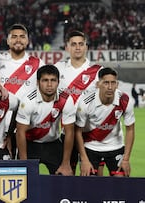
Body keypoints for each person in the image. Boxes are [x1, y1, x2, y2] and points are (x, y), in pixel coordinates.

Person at [54, 30, 103, 173]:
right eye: (73, 44)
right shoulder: (58, 68)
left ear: (86, 47)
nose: (77, 47)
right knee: (67, 174)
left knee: (93, 178)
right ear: (67, 47)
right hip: (66, 131)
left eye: (81, 44)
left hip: (90, 133)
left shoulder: (98, 71)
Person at [15, 65, 76, 176]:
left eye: (53, 80)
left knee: (65, 177)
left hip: (53, 144)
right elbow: (20, 132)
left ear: (58, 82)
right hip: (30, 144)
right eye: (45, 80)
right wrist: (24, 163)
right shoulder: (28, 100)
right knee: (25, 181)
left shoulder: (66, 99)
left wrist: (66, 163)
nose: (49, 85)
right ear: (38, 82)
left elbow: (70, 131)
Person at [75, 67, 135, 177]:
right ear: (98, 84)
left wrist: (126, 159)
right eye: (106, 83)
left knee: (122, 183)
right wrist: (84, 159)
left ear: (117, 84)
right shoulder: (85, 102)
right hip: (91, 146)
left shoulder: (124, 100)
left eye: (113, 83)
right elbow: (77, 131)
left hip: (115, 146)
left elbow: (130, 129)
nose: (110, 87)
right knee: (90, 184)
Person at [0, 23, 46, 158]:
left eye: (22, 37)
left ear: (27, 40)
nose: (18, 40)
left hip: (26, 128)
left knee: (24, 173)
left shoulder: (38, 64)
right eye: (14, 37)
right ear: (8, 41)